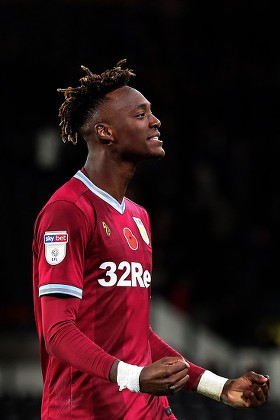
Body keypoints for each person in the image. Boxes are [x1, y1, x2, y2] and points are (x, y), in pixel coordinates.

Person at [32, 59, 269, 420]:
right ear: (106, 132)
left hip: (147, 410)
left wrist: (217, 387)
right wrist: (135, 377)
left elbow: (135, 334)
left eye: (152, 113)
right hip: (85, 411)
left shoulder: (139, 218)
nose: (156, 122)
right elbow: (58, 332)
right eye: (141, 115)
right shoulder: (68, 211)